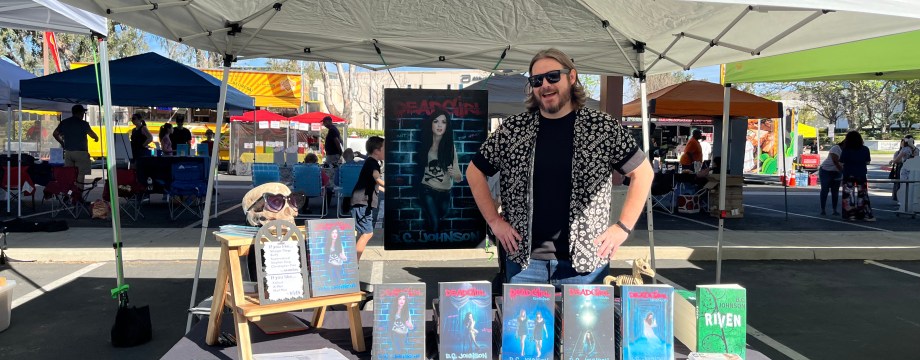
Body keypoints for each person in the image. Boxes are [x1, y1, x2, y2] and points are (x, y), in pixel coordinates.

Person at [467, 48, 653, 288]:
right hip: (524, 264)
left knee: (584, 328)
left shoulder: (601, 127)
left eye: (553, 76)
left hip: (586, 264)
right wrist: (494, 221)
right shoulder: (513, 130)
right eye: (537, 80)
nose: (545, 85)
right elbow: (474, 171)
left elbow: (643, 172)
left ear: (572, 77)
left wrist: (622, 227)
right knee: (524, 327)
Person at [417, 109, 463, 233]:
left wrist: (455, 175)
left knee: (442, 215)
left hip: (445, 192)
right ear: (431, 124)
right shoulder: (424, 144)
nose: (439, 125)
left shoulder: (450, 147)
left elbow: (459, 177)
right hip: (427, 189)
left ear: (447, 125)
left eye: (443, 122)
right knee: (435, 223)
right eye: (436, 121)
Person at [352, 136, 385, 260]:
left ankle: (354, 262)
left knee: (364, 233)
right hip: (362, 202)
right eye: (384, 148)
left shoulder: (370, 162)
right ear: (377, 151)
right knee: (367, 233)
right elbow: (377, 178)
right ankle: (355, 263)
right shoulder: (372, 163)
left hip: (362, 202)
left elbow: (375, 185)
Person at [53, 104, 99, 179]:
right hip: (81, 153)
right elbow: (93, 135)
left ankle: (70, 190)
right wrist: (96, 138)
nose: (83, 114)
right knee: (80, 175)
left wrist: (62, 143)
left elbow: (55, 134)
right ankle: (78, 190)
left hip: (68, 152)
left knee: (69, 174)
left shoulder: (64, 122)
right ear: (80, 113)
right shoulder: (84, 124)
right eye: (83, 113)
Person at [839, 131, 874, 221]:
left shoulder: (846, 149)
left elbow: (841, 161)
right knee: (862, 194)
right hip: (861, 173)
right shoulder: (865, 149)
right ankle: (864, 214)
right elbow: (868, 161)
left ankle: (850, 215)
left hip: (848, 173)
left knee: (848, 194)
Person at [819, 139, 845, 216]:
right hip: (826, 170)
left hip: (837, 172)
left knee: (835, 191)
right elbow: (835, 162)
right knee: (825, 189)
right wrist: (844, 172)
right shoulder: (835, 148)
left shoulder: (848, 150)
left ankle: (834, 210)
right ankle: (823, 209)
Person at [889, 135, 918, 202]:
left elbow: (897, 159)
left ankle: (903, 201)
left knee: (903, 185)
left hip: (905, 168)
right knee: (912, 185)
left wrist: (892, 161)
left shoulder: (905, 149)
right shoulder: (915, 149)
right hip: (914, 169)